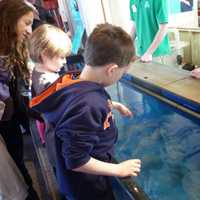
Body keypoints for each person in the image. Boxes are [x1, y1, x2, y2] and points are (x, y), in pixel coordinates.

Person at [30, 23, 141, 200]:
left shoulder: (73, 78)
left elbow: (79, 104)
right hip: (87, 186)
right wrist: (117, 169)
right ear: (112, 70)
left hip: (83, 178)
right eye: (122, 74)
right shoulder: (88, 105)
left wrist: (112, 104)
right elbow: (75, 159)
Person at [0, 0, 39, 199]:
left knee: (17, 162)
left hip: (10, 119)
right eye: (26, 23)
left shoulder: (14, 49)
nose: (30, 30)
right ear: (9, 20)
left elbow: (21, 89)